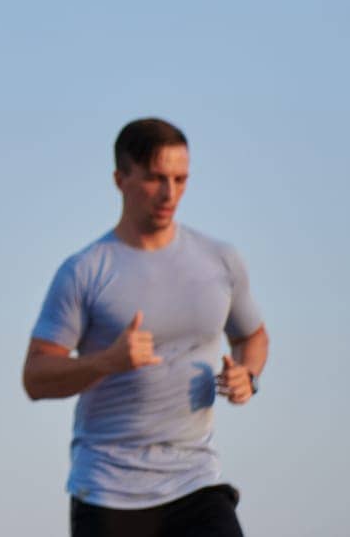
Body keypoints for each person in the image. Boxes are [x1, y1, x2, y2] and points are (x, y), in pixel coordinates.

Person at [23, 117, 270, 537]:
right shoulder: (84, 271)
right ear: (120, 179)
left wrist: (247, 375)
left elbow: (252, 337)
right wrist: (106, 362)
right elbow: (36, 377)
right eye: (156, 179)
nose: (170, 193)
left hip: (196, 482)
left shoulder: (220, 261)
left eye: (180, 178)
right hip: (107, 493)